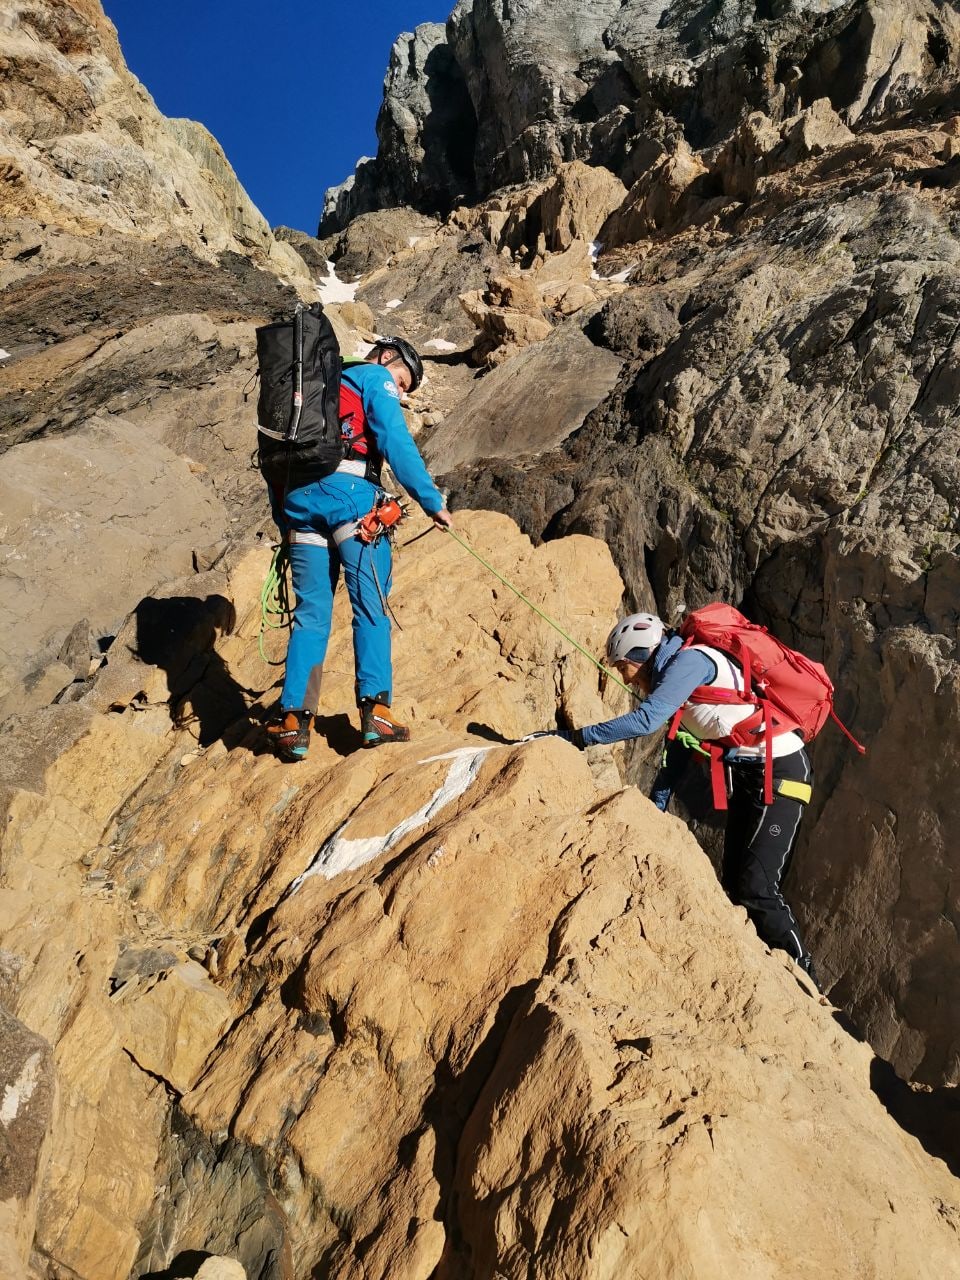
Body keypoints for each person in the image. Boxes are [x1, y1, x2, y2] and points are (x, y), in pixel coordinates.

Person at [551, 612, 819, 987]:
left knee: (757, 889)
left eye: (624, 667)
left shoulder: (691, 662)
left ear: (642, 654)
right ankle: (769, 977)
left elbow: (646, 722)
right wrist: (655, 809)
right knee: (736, 886)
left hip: (781, 773)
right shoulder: (674, 676)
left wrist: (574, 738)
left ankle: (806, 979)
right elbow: (673, 756)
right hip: (752, 776)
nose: (626, 679)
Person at [266, 337, 452, 760]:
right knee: (370, 606)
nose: (402, 392)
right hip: (352, 499)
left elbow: (272, 461)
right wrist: (431, 501)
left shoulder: (306, 388)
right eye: (403, 380)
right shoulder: (372, 376)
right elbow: (395, 440)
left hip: (298, 506)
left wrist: (286, 524)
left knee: (311, 615)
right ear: (387, 358)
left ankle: (295, 721)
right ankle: (376, 713)